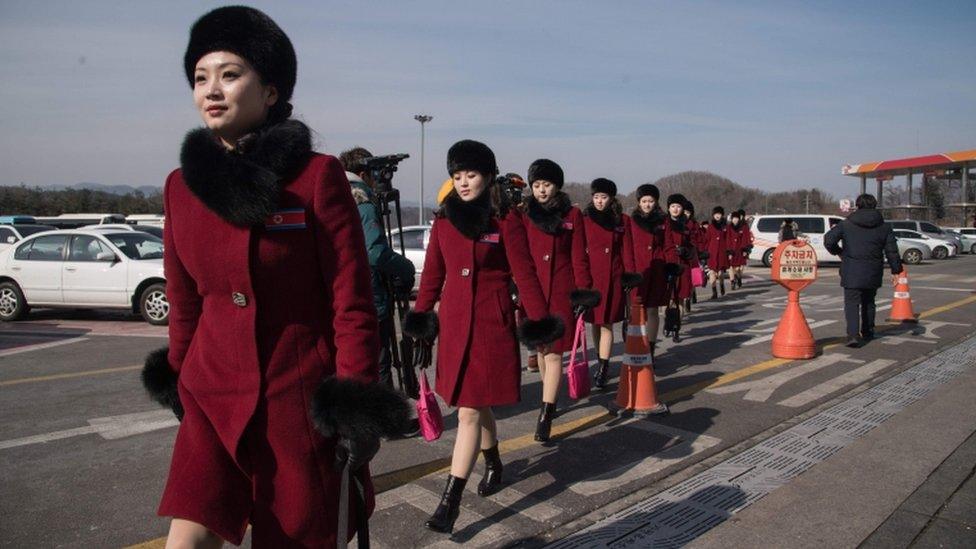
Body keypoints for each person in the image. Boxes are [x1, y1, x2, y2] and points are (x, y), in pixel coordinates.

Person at [140, 7, 408, 547]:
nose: (211, 89)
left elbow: (350, 300)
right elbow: (184, 301)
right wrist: (179, 381)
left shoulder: (315, 177)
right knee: (186, 538)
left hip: (296, 403)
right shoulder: (180, 186)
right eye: (200, 77)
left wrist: (353, 404)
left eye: (230, 74)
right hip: (210, 397)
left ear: (269, 92)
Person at [403, 140, 563, 534]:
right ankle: (492, 460)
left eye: (470, 175)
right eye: (456, 176)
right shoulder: (442, 221)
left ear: (488, 175)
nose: (463, 183)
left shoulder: (506, 221)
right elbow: (434, 279)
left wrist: (539, 324)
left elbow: (525, 276)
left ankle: (449, 502)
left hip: (492, 325)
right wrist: (422, 321)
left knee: (471, 409)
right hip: (457, 327)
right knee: (477, 402)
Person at [520, 159, 599, 441]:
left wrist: (583, 291)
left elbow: (580, 256)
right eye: (537, 185)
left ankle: (546, 412)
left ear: (557, 185)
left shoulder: (572, 215)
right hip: (533, 291)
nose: (542, 190)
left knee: (554, 353)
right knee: (541, 350)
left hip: (561, 290)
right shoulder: (523, 214)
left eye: (547, 184)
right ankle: (548, 393)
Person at [339, 147, 416, 388]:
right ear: (365, 174)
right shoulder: (361, 199)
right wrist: (405, 268)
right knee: (379, 361)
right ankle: (386, 422)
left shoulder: (336, 194)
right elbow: (374, 251)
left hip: (346, 293)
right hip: (371, 296)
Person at [824, 194, 904, 348]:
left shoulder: (847, 224)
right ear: (875, 206)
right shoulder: (884, 226)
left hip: (851, 269)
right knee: (869, 302)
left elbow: (829, 239)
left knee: (852, 303)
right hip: (873, 269)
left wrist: (839, 252)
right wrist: (896, 271)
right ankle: (868, 331)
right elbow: (892, 250)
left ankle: (853, 335)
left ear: (858, 206)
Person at [582, 178, 628, 389]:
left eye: (604, 197)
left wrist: (629, 276)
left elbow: (626, 250)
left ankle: (603, 367)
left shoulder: (621, 220)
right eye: (596, 197)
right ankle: (600, 360)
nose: (600, 201)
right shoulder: (585, 219)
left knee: (607, 322)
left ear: (611, 198)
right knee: (595, 322)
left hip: (613, 277)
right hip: (592, 278)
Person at [623, 184, 668, 359]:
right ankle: (637, 346)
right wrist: (629, 272)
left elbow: (668, 245)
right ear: (638, 202)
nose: (647, 204)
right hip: (638, 272)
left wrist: (670, 265)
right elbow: (627, 248)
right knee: (637, 311)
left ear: (656, 202)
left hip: (657, 270)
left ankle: (650, 349)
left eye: (651, 201)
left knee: (652, 310)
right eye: (644, 201)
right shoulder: (631, 221)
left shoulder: (663, 221)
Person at [664, 195, 695, 341]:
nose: (675, 209)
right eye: (672, 206)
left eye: (678, 206)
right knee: (668, 299)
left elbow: (692, 246)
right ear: (668, 208)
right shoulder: (663, 223)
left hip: (682, 266)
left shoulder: (687, 225)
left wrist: (686, 251)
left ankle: (676, 327)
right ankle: (667, 323)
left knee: (680, 299)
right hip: (667, 264)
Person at [705, 206, 730, 299]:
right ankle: (714, 291)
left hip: (722, 252)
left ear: (722, 215)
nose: (717, 216)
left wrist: (728, 251)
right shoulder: (710, 226)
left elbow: (728, 239)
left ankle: (722, 285)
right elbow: (707, 239)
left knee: (720, 273)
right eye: (716, 214)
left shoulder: (725, 226)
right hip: (712, 252)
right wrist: (705, 252)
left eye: (719, 214)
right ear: (713, 215)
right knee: (712, 272)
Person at [725, 209, 753, 289]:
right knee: (730, 267)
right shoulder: (728, 227)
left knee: (738, 268)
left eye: (737, 218)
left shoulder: (743, 227)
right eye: (734, 218)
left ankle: (738, 277)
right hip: (731, 250)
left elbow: (745, 239)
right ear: (731, 219)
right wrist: (728, 251)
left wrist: (745, 250)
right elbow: (727, 239)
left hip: (740, 250)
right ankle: (732, 282)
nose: (735, 220)